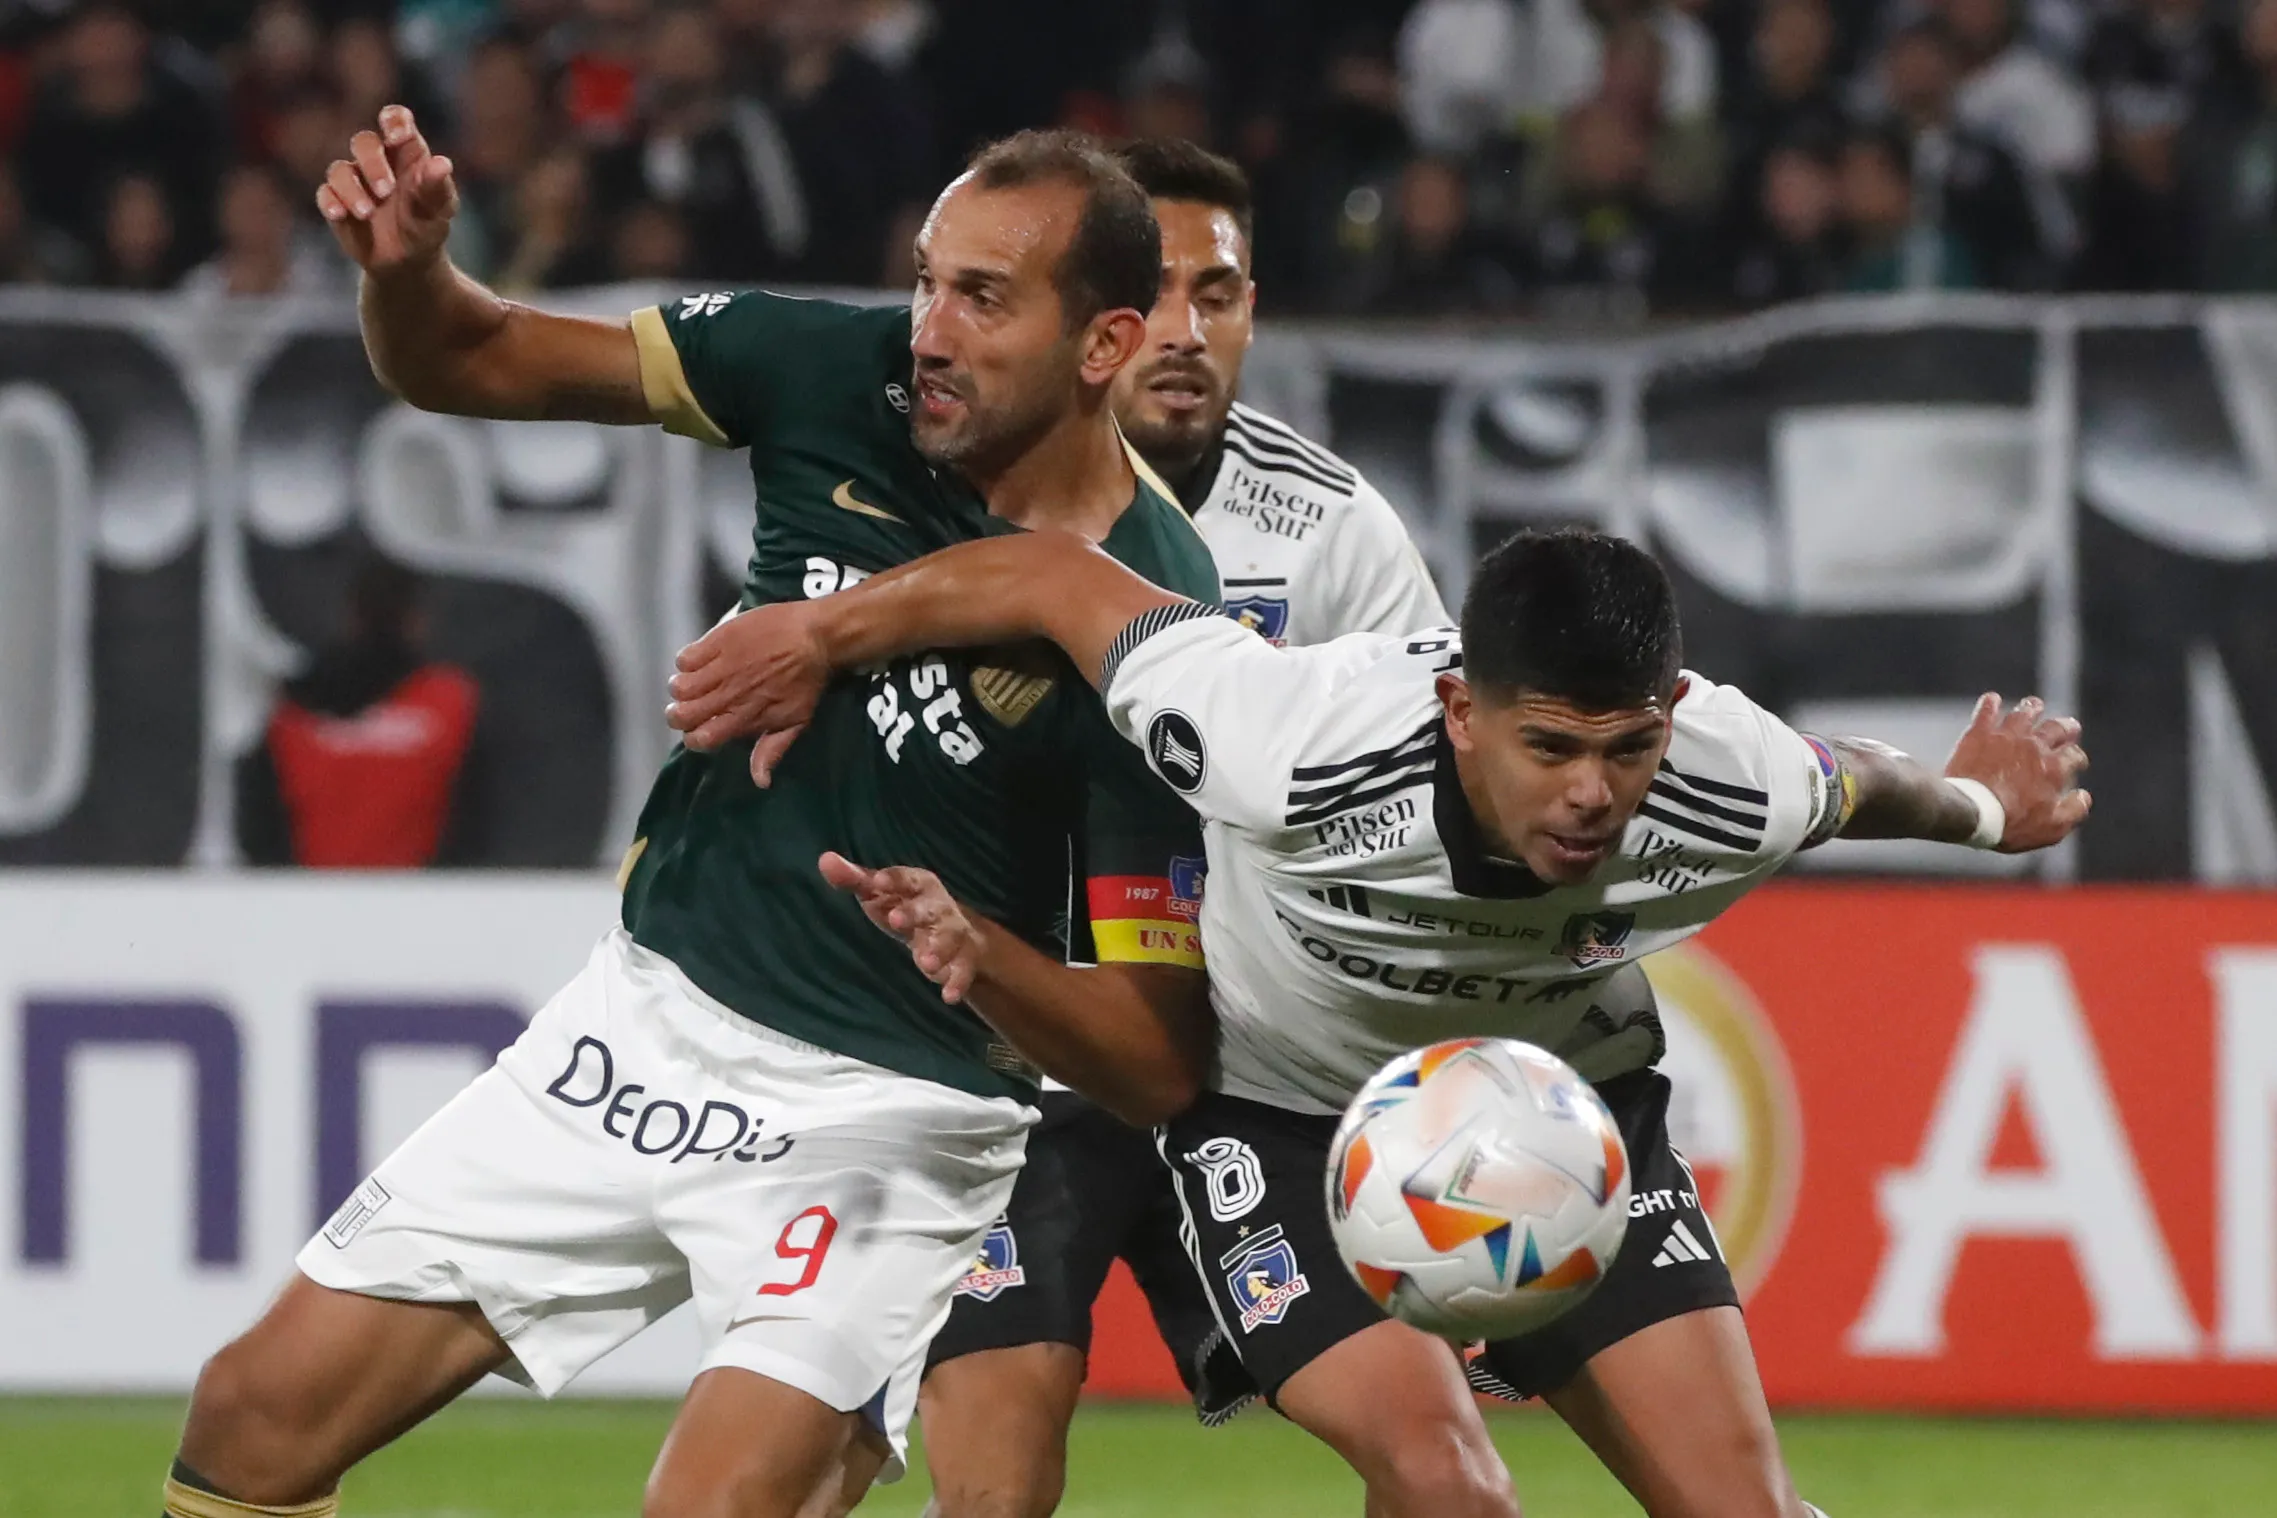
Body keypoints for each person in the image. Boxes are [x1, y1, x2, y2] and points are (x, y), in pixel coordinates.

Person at [160, 110, 1220, 1518]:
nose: (930, 330)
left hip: (885, 1111)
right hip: (640, 1027)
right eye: (925, 279)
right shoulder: (830, 369)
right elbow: (472, 355)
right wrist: (408, 276)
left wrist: (991, 956)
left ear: (1103, 344)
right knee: (250, 1416)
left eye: (982, 296)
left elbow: (1157, 1056)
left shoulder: (1157, 616)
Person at [664, 526, 2091, 1518]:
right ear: (1461, 708)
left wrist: (1979, 807)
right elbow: (1053, 576)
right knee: (1443, 1478)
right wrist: (819, 629)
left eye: (1625, 746)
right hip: (1286, 1121)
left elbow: (1855, 783)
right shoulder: (1287, 741)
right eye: (1549, 747)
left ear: (1669, 713)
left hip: (1560, 1119)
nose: (1592, 794)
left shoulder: (1733, 778)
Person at [909, 137, 1449, 1518]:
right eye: (1155, 295)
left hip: (1250, 1065)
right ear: (1090, 314)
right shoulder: (949, 496)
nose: (1188, 333)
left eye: (1222, 296)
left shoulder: (1327, 527)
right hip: (1017, 1060)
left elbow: (1430, 788)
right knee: (991, 1465)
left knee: (1442, 1470)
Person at [235, 555, 483, 868]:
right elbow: (475, 815)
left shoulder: (292, 707)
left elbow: (259, 818)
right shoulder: (449, 702)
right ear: (416, 621)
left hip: (308, 896)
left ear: (351, 617)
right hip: (417, 899)